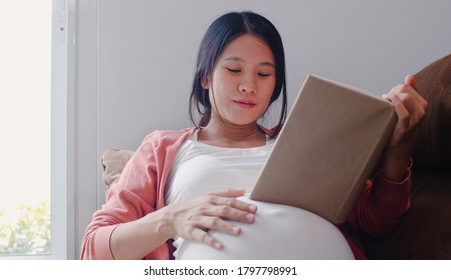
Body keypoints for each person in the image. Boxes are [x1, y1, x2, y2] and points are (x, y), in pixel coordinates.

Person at [81, 11, 427, 260]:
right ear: (205, 77)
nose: (248, 85)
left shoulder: (304, 139)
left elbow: (378, 224)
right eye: (233, 70)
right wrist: (171, 219)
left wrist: (398, 145)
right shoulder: (164, 148)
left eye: (264, 74)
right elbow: (93, 250)